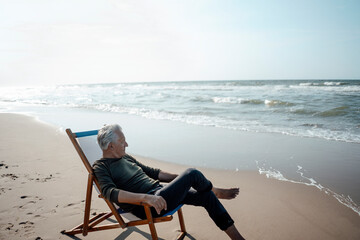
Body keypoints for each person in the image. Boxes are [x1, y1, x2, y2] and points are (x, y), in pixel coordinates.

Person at [93, 124, 246, 240]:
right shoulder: (101, 167)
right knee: (192, 173)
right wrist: (146, 198)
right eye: (122, 141)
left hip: (161, 192)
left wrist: (181, 180)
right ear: (110, 146)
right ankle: (215, 190)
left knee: (206, 196)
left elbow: (153, 172)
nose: (126, 145)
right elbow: (109, 193)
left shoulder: (125, 157)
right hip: (149, 205)